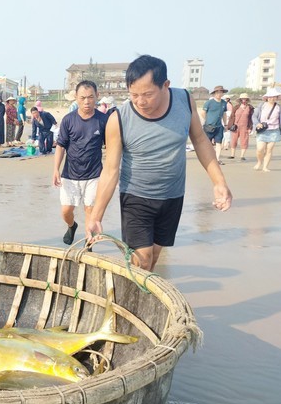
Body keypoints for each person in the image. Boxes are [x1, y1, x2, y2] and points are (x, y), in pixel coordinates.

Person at [86, 55, 232, 271]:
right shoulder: (119, 119)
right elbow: (110, 171)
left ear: (166, 85)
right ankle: (131, 300)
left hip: (172, 196)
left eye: (147, 94)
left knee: (153, 257)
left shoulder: (184, 100)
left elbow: (200, 140)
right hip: (136, 198)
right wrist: (96, 216)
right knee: (141, 259)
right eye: (134, 95)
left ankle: (142, 297)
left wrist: (219, 182)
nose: (140, 101)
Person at [53, 81, 108, 245]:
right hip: (70, 174)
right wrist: (56, 169)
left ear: (97, 96)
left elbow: (112, 148)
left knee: (90, 209)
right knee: (66, 210)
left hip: (94, 174)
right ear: (76, 98)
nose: (87, 101)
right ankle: (72, 226)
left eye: (91, 97)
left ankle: (88, 242)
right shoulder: (69, 120)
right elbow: (61, 146)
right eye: (83, 97)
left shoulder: (103, 120)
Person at [252, 87, 281, 172]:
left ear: (276, 97)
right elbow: (253, 116)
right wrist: (257, 123)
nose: (272, 98)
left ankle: (265, 167)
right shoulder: (261, 106)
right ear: (267, 97)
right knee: (260, 149)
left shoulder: (279, 107)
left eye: (274, 96)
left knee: (269, 150)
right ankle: (259, 162)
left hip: (274, 130)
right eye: (270, 96)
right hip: (262, 130)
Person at [200, 85, 229, 164]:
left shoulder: (224, 103)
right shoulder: (209, 103)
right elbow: (203, 113)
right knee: (207, 143)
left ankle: (217, 159)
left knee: (218, 143)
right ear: (214, 93)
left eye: (221, 92)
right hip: (209, 126)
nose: (219, 94)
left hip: (219, 126)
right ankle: (207, 158)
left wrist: (225, 124)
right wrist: (208, 120)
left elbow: (224, 114)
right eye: (217, 92)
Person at [227, 93, 254, 161]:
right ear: (240, 99)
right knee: (233, 140)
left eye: (245, 99)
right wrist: (229, 125)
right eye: (242, 99)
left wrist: (250, 127)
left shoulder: (250, 108)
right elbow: (232, 117)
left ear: (247, 99)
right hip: (236, 126)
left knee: (244, 140)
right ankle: (232, 154)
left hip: (245, 126)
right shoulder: (236, 107)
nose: (244, 100)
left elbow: (251, 118)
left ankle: (242, 156)